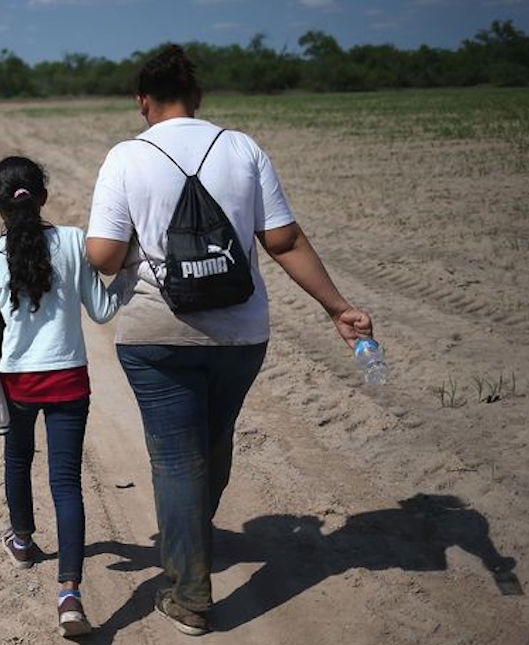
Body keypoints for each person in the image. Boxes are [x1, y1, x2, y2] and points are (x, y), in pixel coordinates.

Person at [85, 45, 374, 636]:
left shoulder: (126, 157)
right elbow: (285, 241)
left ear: (143, 101)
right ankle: (192, 532)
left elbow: (107, 255)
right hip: (240, 335)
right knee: (212, 447)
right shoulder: (241, 148)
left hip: (156, 335)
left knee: (174, 459)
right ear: (199, 97)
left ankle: (189, 593)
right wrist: (338, 308)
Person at [0, 157, 120, 637]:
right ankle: (70, 594)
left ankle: (24, 541)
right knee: (66, 483)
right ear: (43, 196)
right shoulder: (73, 241)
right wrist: (130, 274)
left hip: (20, 383)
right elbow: (102, 308)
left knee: (17, 460)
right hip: (70, 379)